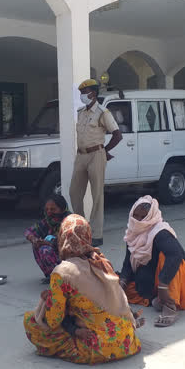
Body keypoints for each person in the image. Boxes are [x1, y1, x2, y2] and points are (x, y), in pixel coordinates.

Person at [23, 214, 144, 364]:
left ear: (62, 237)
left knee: (30, 321)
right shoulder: (101, 261)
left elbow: (54, 320)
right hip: (127, 342)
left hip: (95, 347)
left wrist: (48, 300)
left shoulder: (62, 272)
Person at [120, 196, 185, 327]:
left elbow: (175, 256)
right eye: (136, 216)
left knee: (168, 256)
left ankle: (169, 306)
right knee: (112, 283)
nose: (139, 220)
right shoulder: (133, 232)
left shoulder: (161, 232)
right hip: (152, 284)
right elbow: (128, 263)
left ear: (151, 216)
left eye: (143, 217)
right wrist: (122, 283)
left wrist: (163, 286)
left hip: (178, 287)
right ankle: (156, 299)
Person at [69, 79, 123, 247]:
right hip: (81, 155)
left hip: (96, 155)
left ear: (92, 93)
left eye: (84, 93)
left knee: (97, 195)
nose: (81, 96)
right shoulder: (80, 112)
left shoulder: (102, 112)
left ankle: (96, 234)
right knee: (74, 192)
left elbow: (117, 135)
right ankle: (80, 228)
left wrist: (105, 151)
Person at [24, 195, 71, 282]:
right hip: (57, 254)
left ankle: (63, 277)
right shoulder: (47, 222)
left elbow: (70, 245)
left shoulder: (70, 221)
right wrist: (34, 240)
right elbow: (28, 231)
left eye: (53, 209)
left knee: (45, 250)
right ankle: (52, 276)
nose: (49, 212)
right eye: (47, 209)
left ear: (62, 209)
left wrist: (48, 244)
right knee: (36, 246)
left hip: (73, 261)